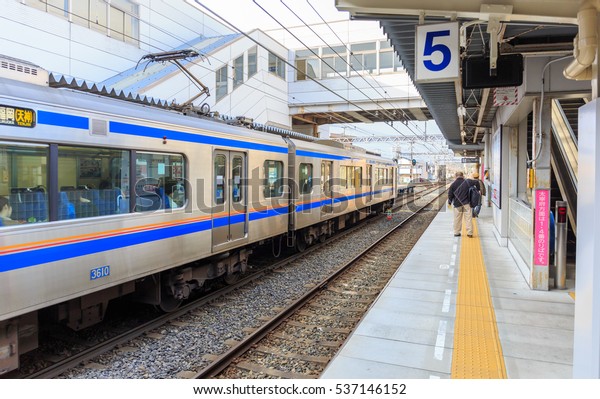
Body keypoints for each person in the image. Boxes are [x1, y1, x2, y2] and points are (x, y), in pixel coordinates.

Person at [447, 171, 478, 237]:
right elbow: (477, 182)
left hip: (457, 204)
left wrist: (449, 203)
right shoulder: (467, 181)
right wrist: (477, 190)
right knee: (468, 218)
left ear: (455, 176)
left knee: (457, 219)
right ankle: (469, 233)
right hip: (466, 203)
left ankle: (456, 232)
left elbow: (450, 195)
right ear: (463, 176)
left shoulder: (453, 184)